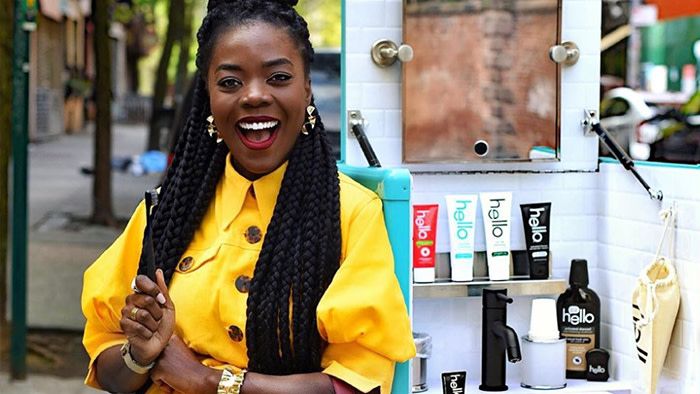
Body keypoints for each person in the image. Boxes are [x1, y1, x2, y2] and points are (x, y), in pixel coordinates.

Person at [81, 1, 415, 393]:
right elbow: (108, 370)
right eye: (230, 82)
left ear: (306, 87)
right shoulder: (165, 211)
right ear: (207, 95)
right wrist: (139, 356)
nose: (254, 96)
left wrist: (209, 380)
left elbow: (358, 383)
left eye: (277, 77)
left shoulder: (351, 214)